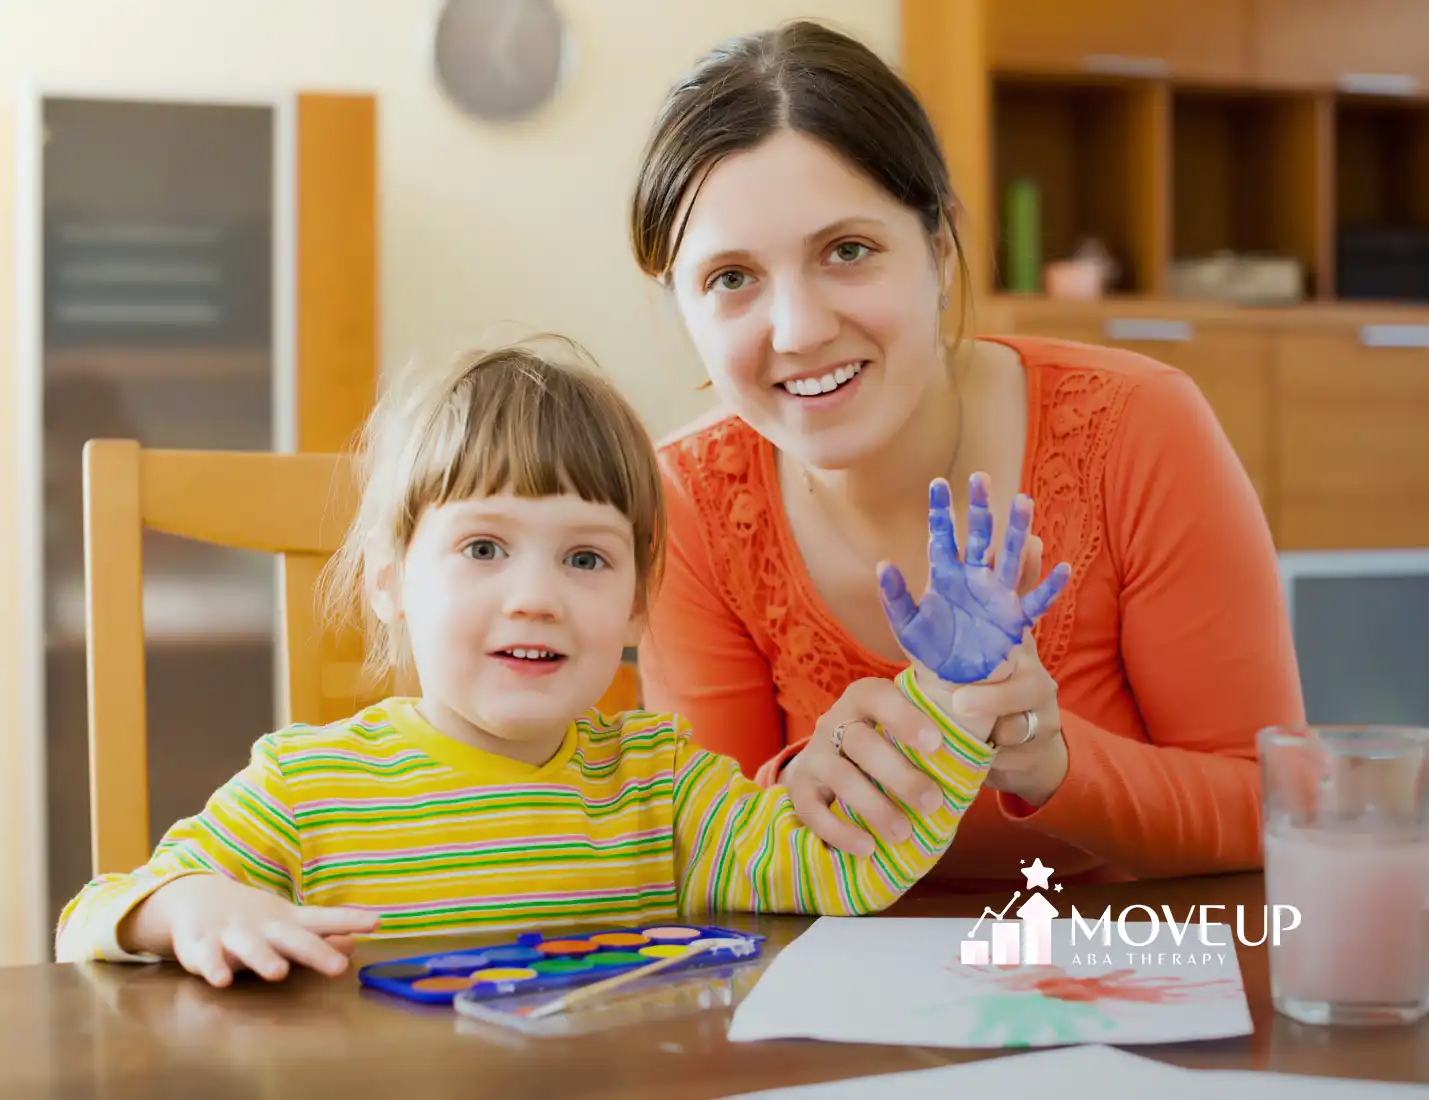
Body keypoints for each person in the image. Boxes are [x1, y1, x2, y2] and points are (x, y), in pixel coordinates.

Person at [54, 338, 1064, 987]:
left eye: (583, 556)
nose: (534, 593)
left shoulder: (662, 787)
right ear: (388, 582)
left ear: (632, 605)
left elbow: (837, 867)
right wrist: (186, 906)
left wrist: (950, 703)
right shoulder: (304, 788)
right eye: (484, 547)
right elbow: (92, 913)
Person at [629, 20, 1305, 891]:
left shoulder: (1138, 426)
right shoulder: (681, 500)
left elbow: (1268, 802)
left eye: (847, 251)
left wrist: (1047, 758)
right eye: (730, 278)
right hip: (834, 1014)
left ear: (939, 250)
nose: (796, 329)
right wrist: (789, 792)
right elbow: (700, 853)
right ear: (680, 304)